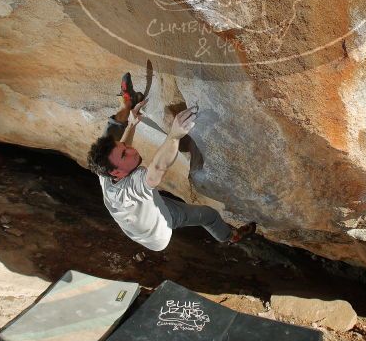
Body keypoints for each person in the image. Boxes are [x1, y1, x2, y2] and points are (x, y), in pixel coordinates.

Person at [87, 72, 256, 252]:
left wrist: (132, 125)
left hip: (138, 216)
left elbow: (122, 147)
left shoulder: (105, 172)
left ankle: (128, 104)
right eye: (124, 155)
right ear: (117, 173)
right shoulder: (132, 189)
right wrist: (174, 134)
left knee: (109, 138)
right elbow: (158, 168)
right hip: (157, 229)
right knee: (209, 215)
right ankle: (231, 237)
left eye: (124, 147)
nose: (131, 150)